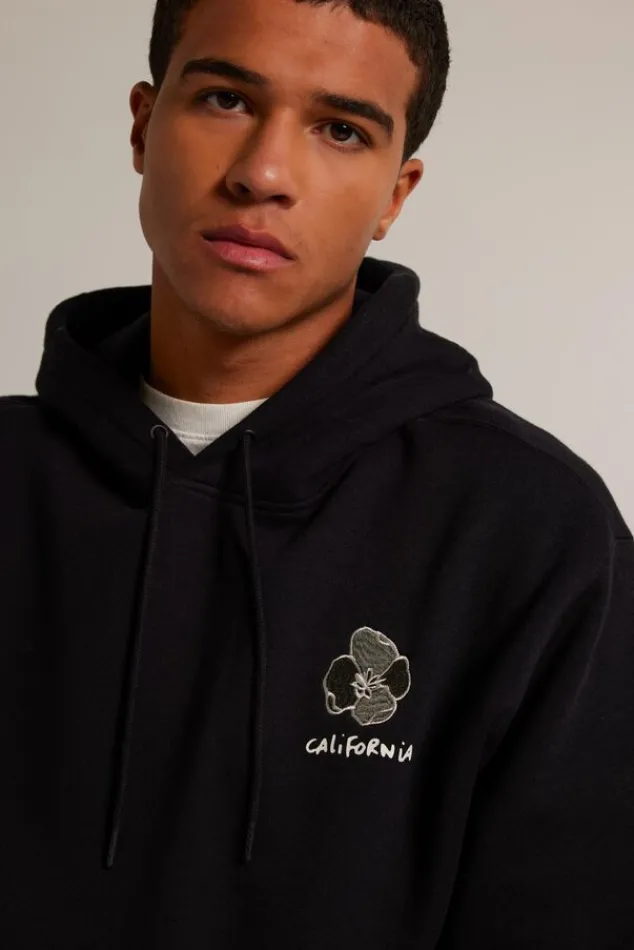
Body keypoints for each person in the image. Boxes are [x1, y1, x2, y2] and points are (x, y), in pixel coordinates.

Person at [1, 0, 632, 946]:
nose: (262, 173)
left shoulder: (532, 533)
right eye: (225, 99)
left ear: (395, 196)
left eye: (340, 129)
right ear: (142, 125)